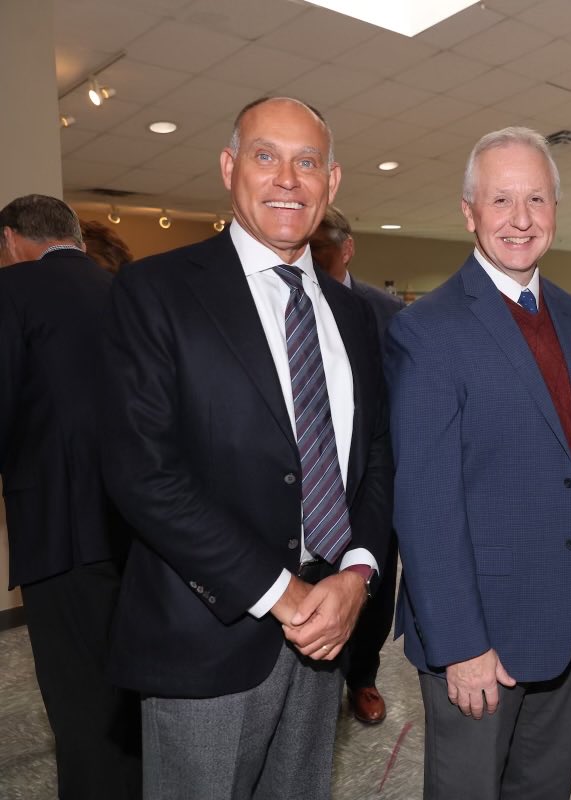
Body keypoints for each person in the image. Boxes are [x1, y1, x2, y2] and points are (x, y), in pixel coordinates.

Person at [101, 97, 393, 799]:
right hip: (209, 633)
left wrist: (356, 574)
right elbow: (142, 473)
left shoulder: (353, 314)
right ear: (231, 168)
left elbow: (374, 461)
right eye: (267, 157)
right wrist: (281, 593)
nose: (288, 179)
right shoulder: (155, 291)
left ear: (333, 180)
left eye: (308, 162)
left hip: (326, 635)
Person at [385, 126, 571, 800]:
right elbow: (425, 504)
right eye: (502, 200)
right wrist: (460, 644)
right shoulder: (431, 329)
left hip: (560, 625)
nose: (521, 219)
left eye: (536, 200)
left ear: (556, 212)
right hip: (478, 637)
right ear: (469, 211)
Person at [0, 194, 141, 799]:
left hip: (58, 526)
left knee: (77, 697)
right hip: (138, 527)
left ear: (10, 240)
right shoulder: (128, 293)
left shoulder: (12, 291)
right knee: (129, 683)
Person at [310, 205, 404, 724]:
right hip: (310, 478)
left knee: (370, 581)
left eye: (321, 245)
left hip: (372, 474)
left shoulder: (387, 312)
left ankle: (362, 677)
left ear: (347, 248)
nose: (311, 252)